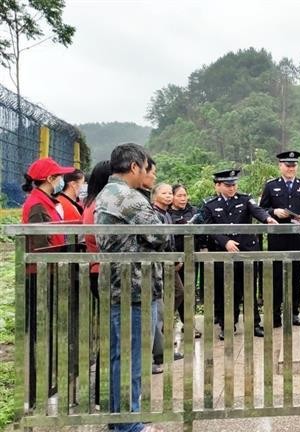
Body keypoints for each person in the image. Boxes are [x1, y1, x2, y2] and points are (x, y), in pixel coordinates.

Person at [95, 143, 167, 432]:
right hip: (135, 289)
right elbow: (159, 235)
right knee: (133, 360)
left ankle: (120, 420)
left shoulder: (106, 193)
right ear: (135, 166)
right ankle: (129, 425)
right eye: (145, 166)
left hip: (117, 288)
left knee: (120, 358)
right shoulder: (129, 197)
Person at [21, 157, 75, 408]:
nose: (61, 179)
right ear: (49, 179)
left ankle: (45, 386)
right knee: (40, 332)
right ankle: (36, 392)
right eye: (58, 176)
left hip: (50, 273)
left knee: (49, 330)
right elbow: (40, 244)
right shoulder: (36, 205)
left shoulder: (46, 202)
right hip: (40, 275)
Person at [200, 169, 278, 339]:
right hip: (223, 253)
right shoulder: (209, 204)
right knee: (225, 291)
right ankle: (227, 325)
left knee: (249, 289)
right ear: (218, 186)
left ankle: (254, 324)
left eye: (234, 185)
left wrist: (267, 218)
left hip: (246, 252)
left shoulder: (244, 199)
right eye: (227, 185)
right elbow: (209, 228)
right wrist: (225, 241)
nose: (231, 188)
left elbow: (257, 210)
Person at [259, 151, 300, 328]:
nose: (291, 168)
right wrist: (274, 212)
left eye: (293, 165)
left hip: (298, 237)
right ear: (280, 166)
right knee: (276, 276)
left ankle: (293, 313)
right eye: (287, 165)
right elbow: (262, 209)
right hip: (278, 237)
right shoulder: (270, 186)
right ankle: (275, 314)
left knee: (295, 275)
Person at [82, 160, 112, 406]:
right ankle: (105, 394)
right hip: (103, 272)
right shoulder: (99, 206)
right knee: (112, 335)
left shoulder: (92, 202)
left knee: (112, 334)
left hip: (99, 271)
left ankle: (106, 393)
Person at [150, 183, 184, 373]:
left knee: (177, 294)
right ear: (155, 196)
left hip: (170, 263)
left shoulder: (167, 213)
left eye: (170, 193)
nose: (169, 196)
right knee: (160, 307)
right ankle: (160, 351)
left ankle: (162, 344)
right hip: (160, 265)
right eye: (164, 193)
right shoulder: (154, 214)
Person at [168, 184, 202, 337]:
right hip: (174, 258)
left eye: (184, 195)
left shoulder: (194, 212)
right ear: (172, 197)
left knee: (189, 291)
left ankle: (189, 325)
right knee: (174, 292)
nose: (183, 198)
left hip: (191, 257)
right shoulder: (166, 214)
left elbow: (202, 230)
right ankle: (167, 324)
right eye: (179, 195)